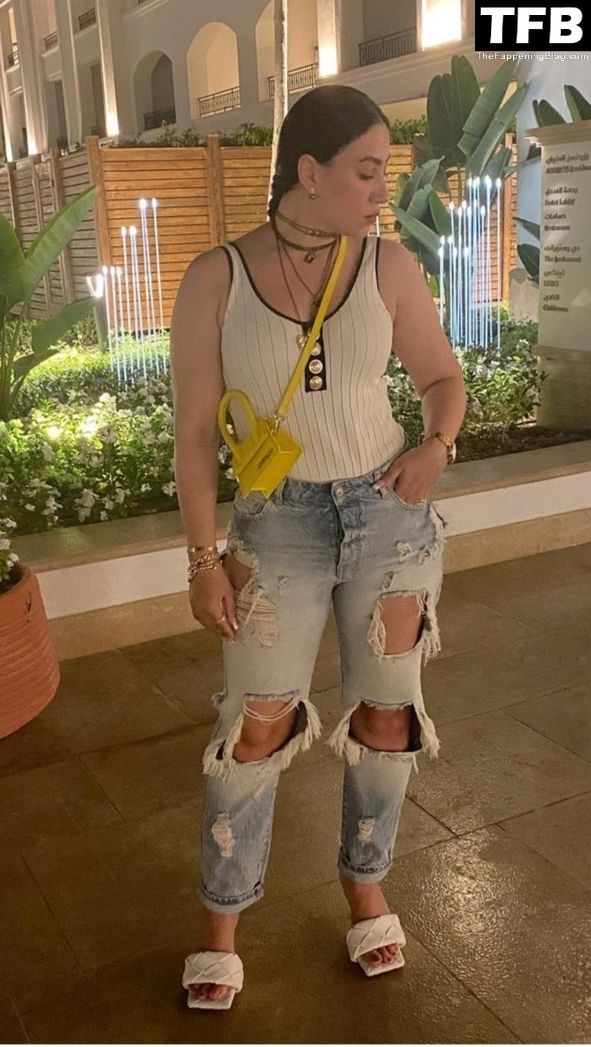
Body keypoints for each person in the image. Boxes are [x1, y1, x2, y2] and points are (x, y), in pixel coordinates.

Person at [171, 84, 466, 1010]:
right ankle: (221, 920)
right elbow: (192, 436)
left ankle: (364, 884)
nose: (382, 189)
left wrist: (436, 445)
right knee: (254, 724)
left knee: (386, 717)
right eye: (367, 171)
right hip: (278, 525)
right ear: (309, 171)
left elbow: (441, 376)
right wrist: (201, 558)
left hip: (389, 518)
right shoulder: (216, 277)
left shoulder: (387, 265)